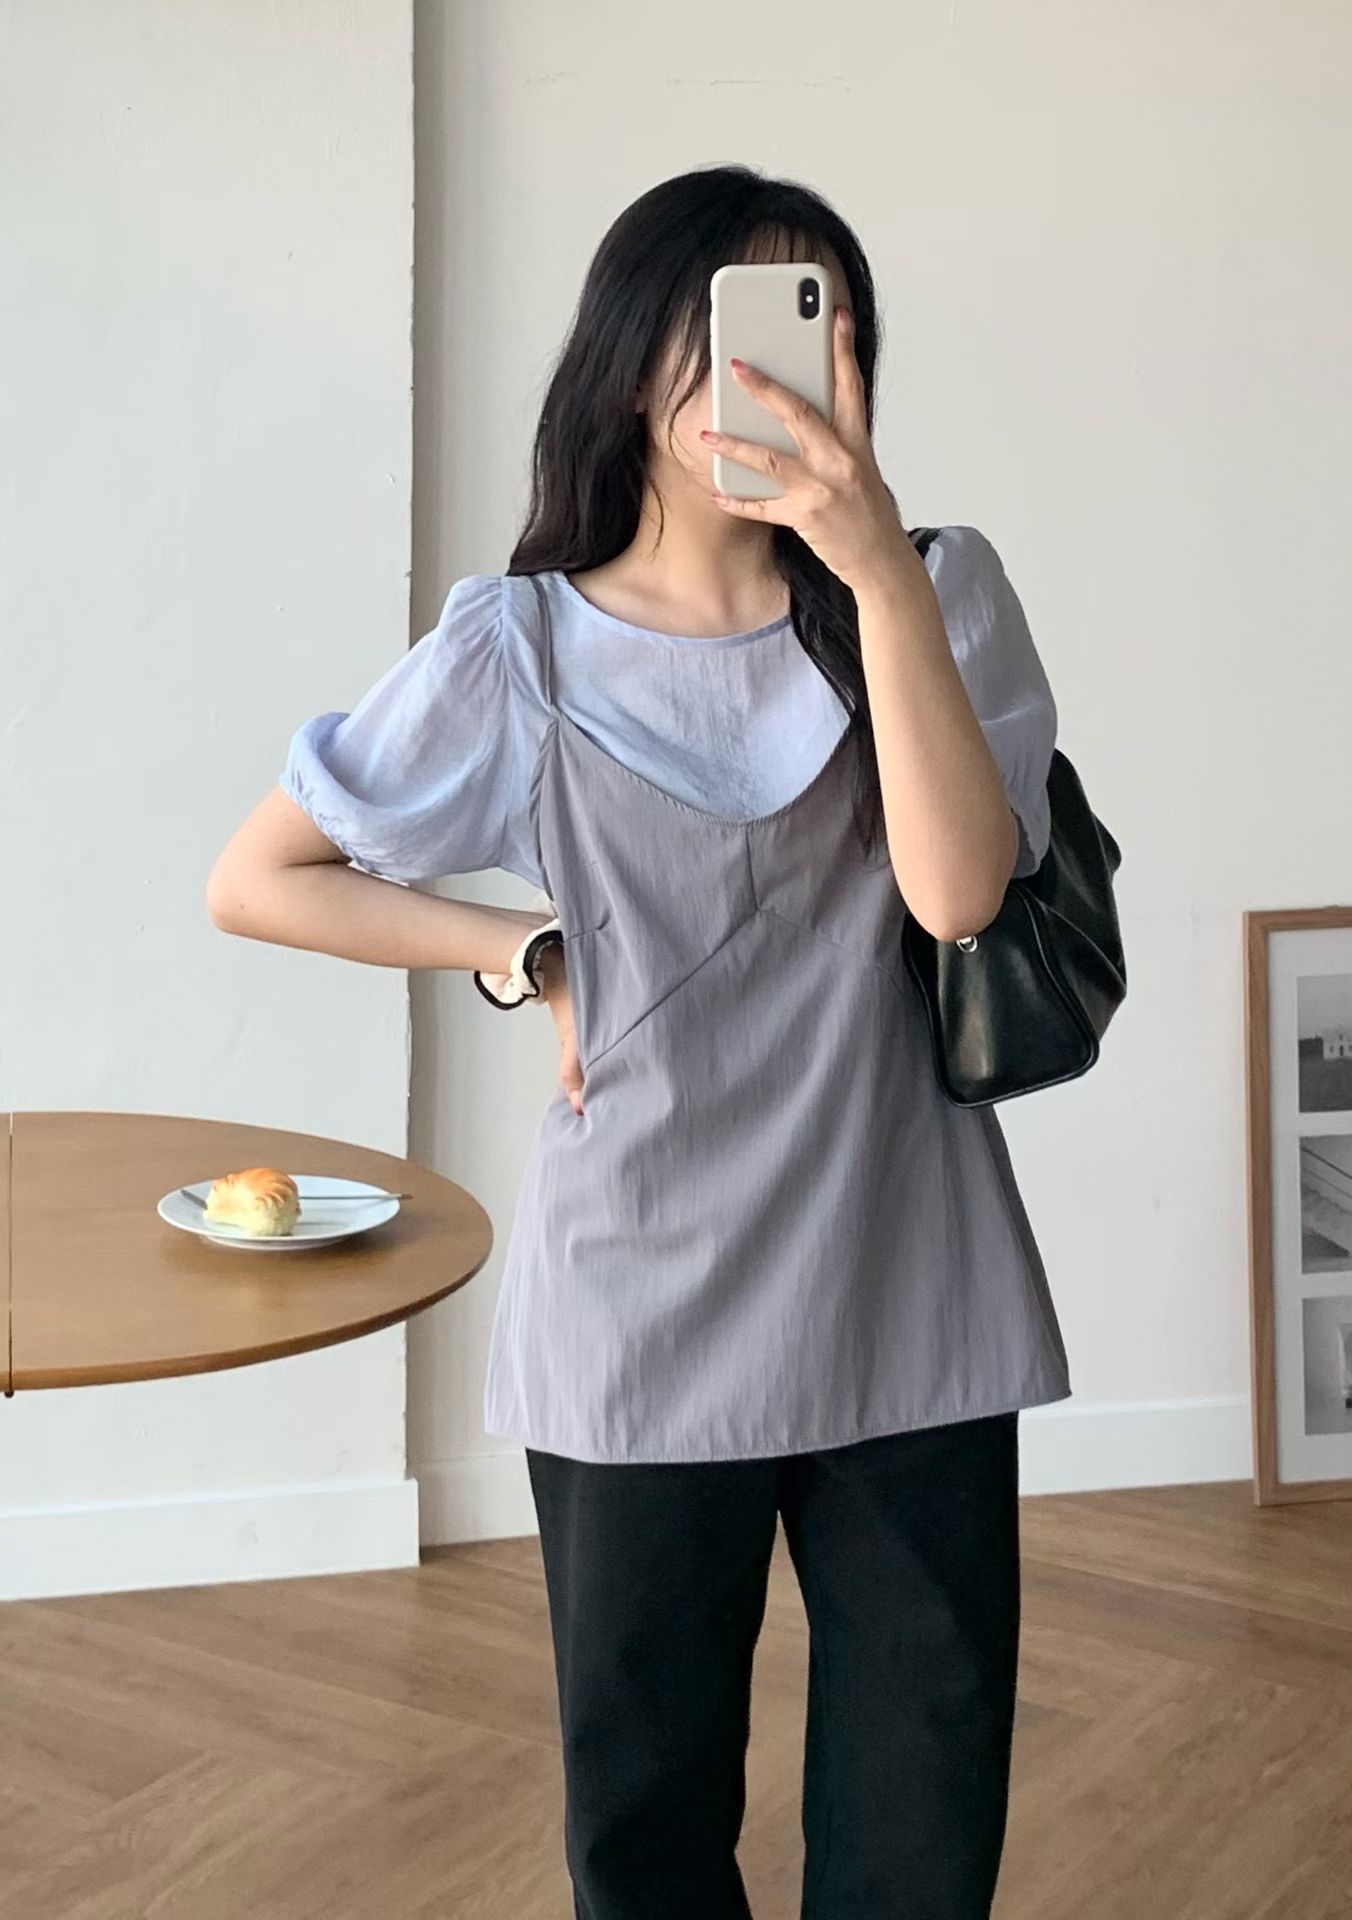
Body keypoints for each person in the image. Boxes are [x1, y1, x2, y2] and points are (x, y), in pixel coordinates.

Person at [207, 163, 1072, 1920]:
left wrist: (875, 567)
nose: (785, 381)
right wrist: (520, 948)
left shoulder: (937, 596)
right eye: (735, 332)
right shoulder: (517, 650)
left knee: (924, 1820)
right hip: (635, 1313)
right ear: (631, 372)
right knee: (647, 1821)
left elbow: (960, 893)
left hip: (909, 1280)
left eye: (820, 333)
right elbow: (261, 878)